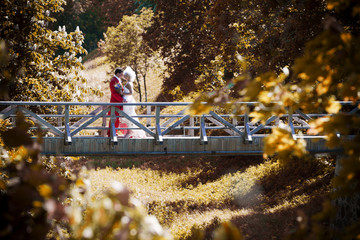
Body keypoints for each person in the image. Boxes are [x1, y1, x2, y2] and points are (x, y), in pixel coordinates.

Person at [121, 66, 147, 138]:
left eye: (125, 76)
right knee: (126, 115)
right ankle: (130, 131)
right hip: (126, 99)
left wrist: (123, 93)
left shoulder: (129, 84)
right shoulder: (128, 83)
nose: (124, 77)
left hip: (127, 99)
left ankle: (130, 132)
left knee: (128, 115)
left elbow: (131, 93)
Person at [107, 67, 126, 137]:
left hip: (118, 102)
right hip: (115, 102)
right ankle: (111, 133)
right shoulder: (113, 81)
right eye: (121, 74)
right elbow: (114, 93)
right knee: (114, 117)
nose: (122, 75)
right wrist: (121, 100)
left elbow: (120, 91)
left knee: (117, 118)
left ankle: (114, 132)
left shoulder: (117, 80)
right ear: (118, 74)